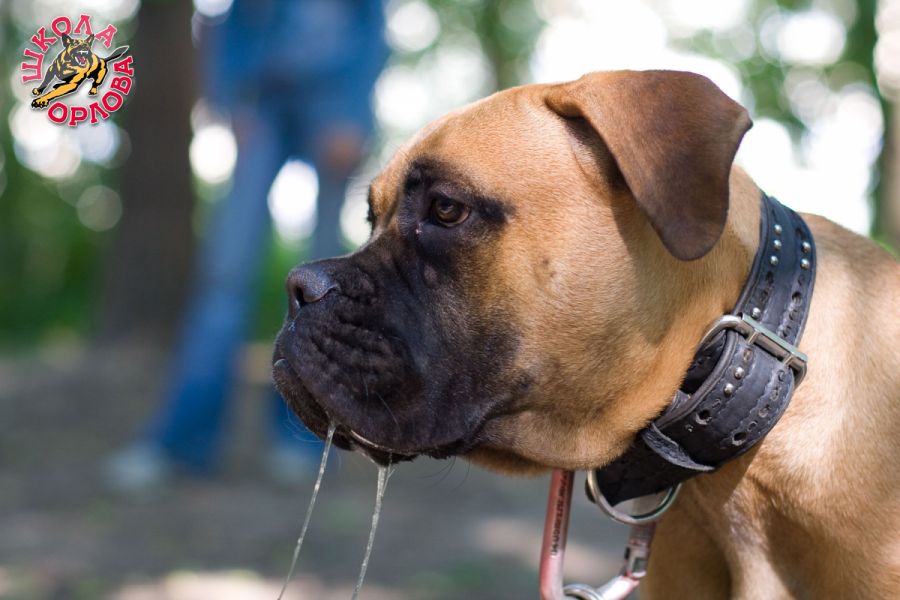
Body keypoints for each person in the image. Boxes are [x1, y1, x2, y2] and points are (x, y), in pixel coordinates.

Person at [106, 0, 388, 490]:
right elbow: (231, 17)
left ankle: (306, 440)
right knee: (224, 274)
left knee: (324, 281)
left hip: (333, 101)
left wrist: (354, 113)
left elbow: (372, 22)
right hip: (261, 99)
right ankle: (182, 443)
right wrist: (227, 100)